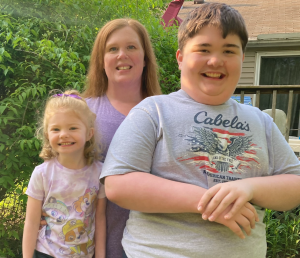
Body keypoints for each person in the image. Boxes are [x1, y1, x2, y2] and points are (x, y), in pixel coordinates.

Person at [100, 3, 300, 258]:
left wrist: (247, 189)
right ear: (181, 58)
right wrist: (211, 202)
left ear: (242, 58)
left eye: (229, 51)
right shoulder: (153, 111)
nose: (216, 60)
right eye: (203, 49)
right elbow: (119, 184)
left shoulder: (261, 122)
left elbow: (295, 184)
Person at [83, 19, 161, 258]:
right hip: (88, 247)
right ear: (101, 59)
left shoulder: (166, 113)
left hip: (154, 247)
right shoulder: (82, 113)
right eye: (112, 49)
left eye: (131, 47)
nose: (122, 55)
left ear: (146, 57)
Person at [23, 90, 106, 258]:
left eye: (73, 127)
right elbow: (31, 222)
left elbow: (100, 219)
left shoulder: (100, 173)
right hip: (47, 253)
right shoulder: (42, 174)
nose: (64, 134)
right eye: (56, 129)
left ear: (89, 133)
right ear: (47, 135)